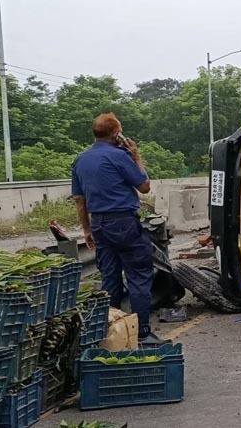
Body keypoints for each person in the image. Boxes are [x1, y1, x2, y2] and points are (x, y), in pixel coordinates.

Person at [72, 113, 167, 346]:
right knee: (138, 276)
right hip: (124, 222)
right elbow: (144, 186)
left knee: (110, 278)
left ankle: (113, 333)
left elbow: (79, 199)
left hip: (99, 224)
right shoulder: (120, 156)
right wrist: (137, 156)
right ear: (117, 134)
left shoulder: (80, 160)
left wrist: (86, 229)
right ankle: (142, 332)